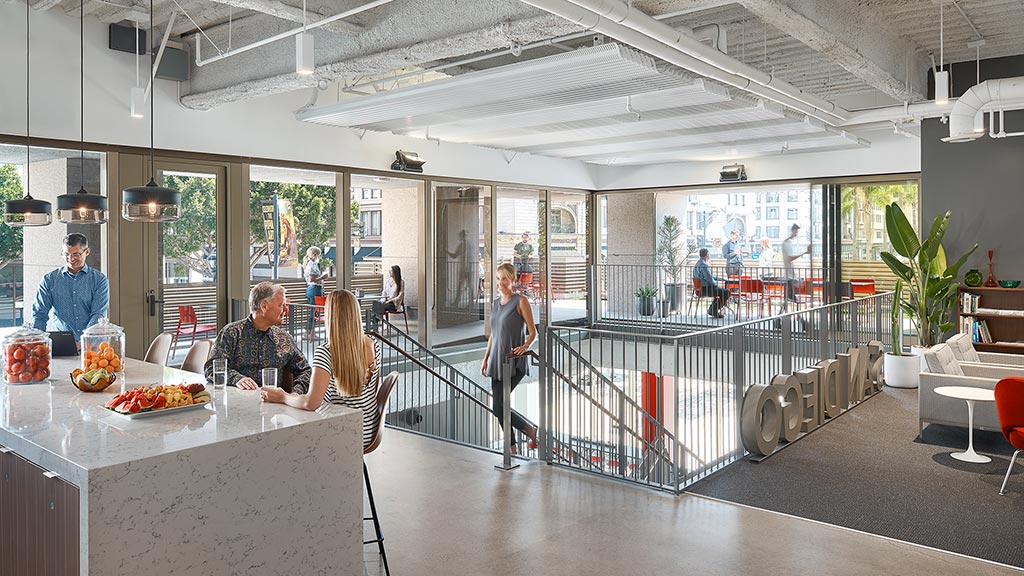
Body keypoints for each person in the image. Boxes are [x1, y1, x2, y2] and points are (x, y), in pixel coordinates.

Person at [261, 290, 381, 449]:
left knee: (283, 434)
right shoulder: (372, 343)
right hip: (369, 430)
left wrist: (283, 396)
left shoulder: (326, 352)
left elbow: (311, 403)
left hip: (342, 433)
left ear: (330, 316)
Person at [204, 282, 311, 392]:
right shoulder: (232, 333)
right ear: (264, 306)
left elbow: (306, 371)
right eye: (280, 305)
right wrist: (237, 379)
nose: (285, 310)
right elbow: (211, 369)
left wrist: (295, 394)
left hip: (272, 402)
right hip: (236, 400)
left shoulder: (284, 338)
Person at [481, 262, 538, 451]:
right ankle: (512, 447)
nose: (501, 283)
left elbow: (533, 332)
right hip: (496, 361)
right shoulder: (495, 304)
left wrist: (525, 346)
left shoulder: (520, 302)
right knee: (500, 406)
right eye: (498, 279)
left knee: (498, 407)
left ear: (513, 279)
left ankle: (529, 429)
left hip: (513, 362)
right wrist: (485, 358)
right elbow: (493, 335)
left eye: (504, 278)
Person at [31, 233, 109, 341]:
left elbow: (98, 314)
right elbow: (39, 314)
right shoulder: (49, 280)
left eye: (76, 254)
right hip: (63, 343)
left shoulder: (99, 280)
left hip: (93, 344)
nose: (70, 259)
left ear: (87, 252)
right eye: (66, 254)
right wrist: (37, 342)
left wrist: (85, 341)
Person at [693, 248, 731, 318]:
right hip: (705, 289)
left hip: (699, 289)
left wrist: (718, 278)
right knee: (726, 292)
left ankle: (713, 309)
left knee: (721, 291)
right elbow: (709, 279)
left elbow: (707, 277)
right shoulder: (704, 265)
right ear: (707, 254)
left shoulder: (697, 264)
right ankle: (713, 310)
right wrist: (716, 284)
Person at [782, 224, 812, 310]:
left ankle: (786, 312)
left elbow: (789, 259)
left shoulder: (789, 243)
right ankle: (793, 314)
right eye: (796, 231)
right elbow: (789, 258)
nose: (797, 234)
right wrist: (804, 253)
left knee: (790, 297)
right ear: (793, 230)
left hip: (790, 275)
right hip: (789, 276)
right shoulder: (786, 243)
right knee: (791, 297)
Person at [303, 246, 328, 340]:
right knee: (314, 311)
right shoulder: (312, 265)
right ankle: (308, 332)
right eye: (319, 255)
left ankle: (311, 333)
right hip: (314, 289)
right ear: (315, 255)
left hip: (310, 289)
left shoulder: (308, 264)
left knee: (314, 311)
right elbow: (312, 279)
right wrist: (323, 277)